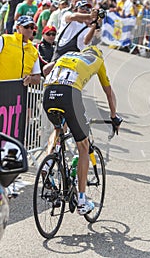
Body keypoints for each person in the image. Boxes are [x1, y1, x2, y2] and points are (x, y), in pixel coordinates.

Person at [43, 45, 122, 215]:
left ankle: (49, 161)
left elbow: (45, 69)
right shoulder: (98, 60)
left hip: (48, 92)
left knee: (58, 128)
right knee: (84, 146)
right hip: (69, 94)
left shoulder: (71, 55)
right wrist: (114, 116)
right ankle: (81, 201)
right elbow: (109, 93)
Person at [0, 16, 41, 84]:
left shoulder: (34, 50)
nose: (29, 30)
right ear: (17, 27)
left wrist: (30, 79)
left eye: (31, 27)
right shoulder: (4, 39)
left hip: (19, 91)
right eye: (26, 26)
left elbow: (37, 78)